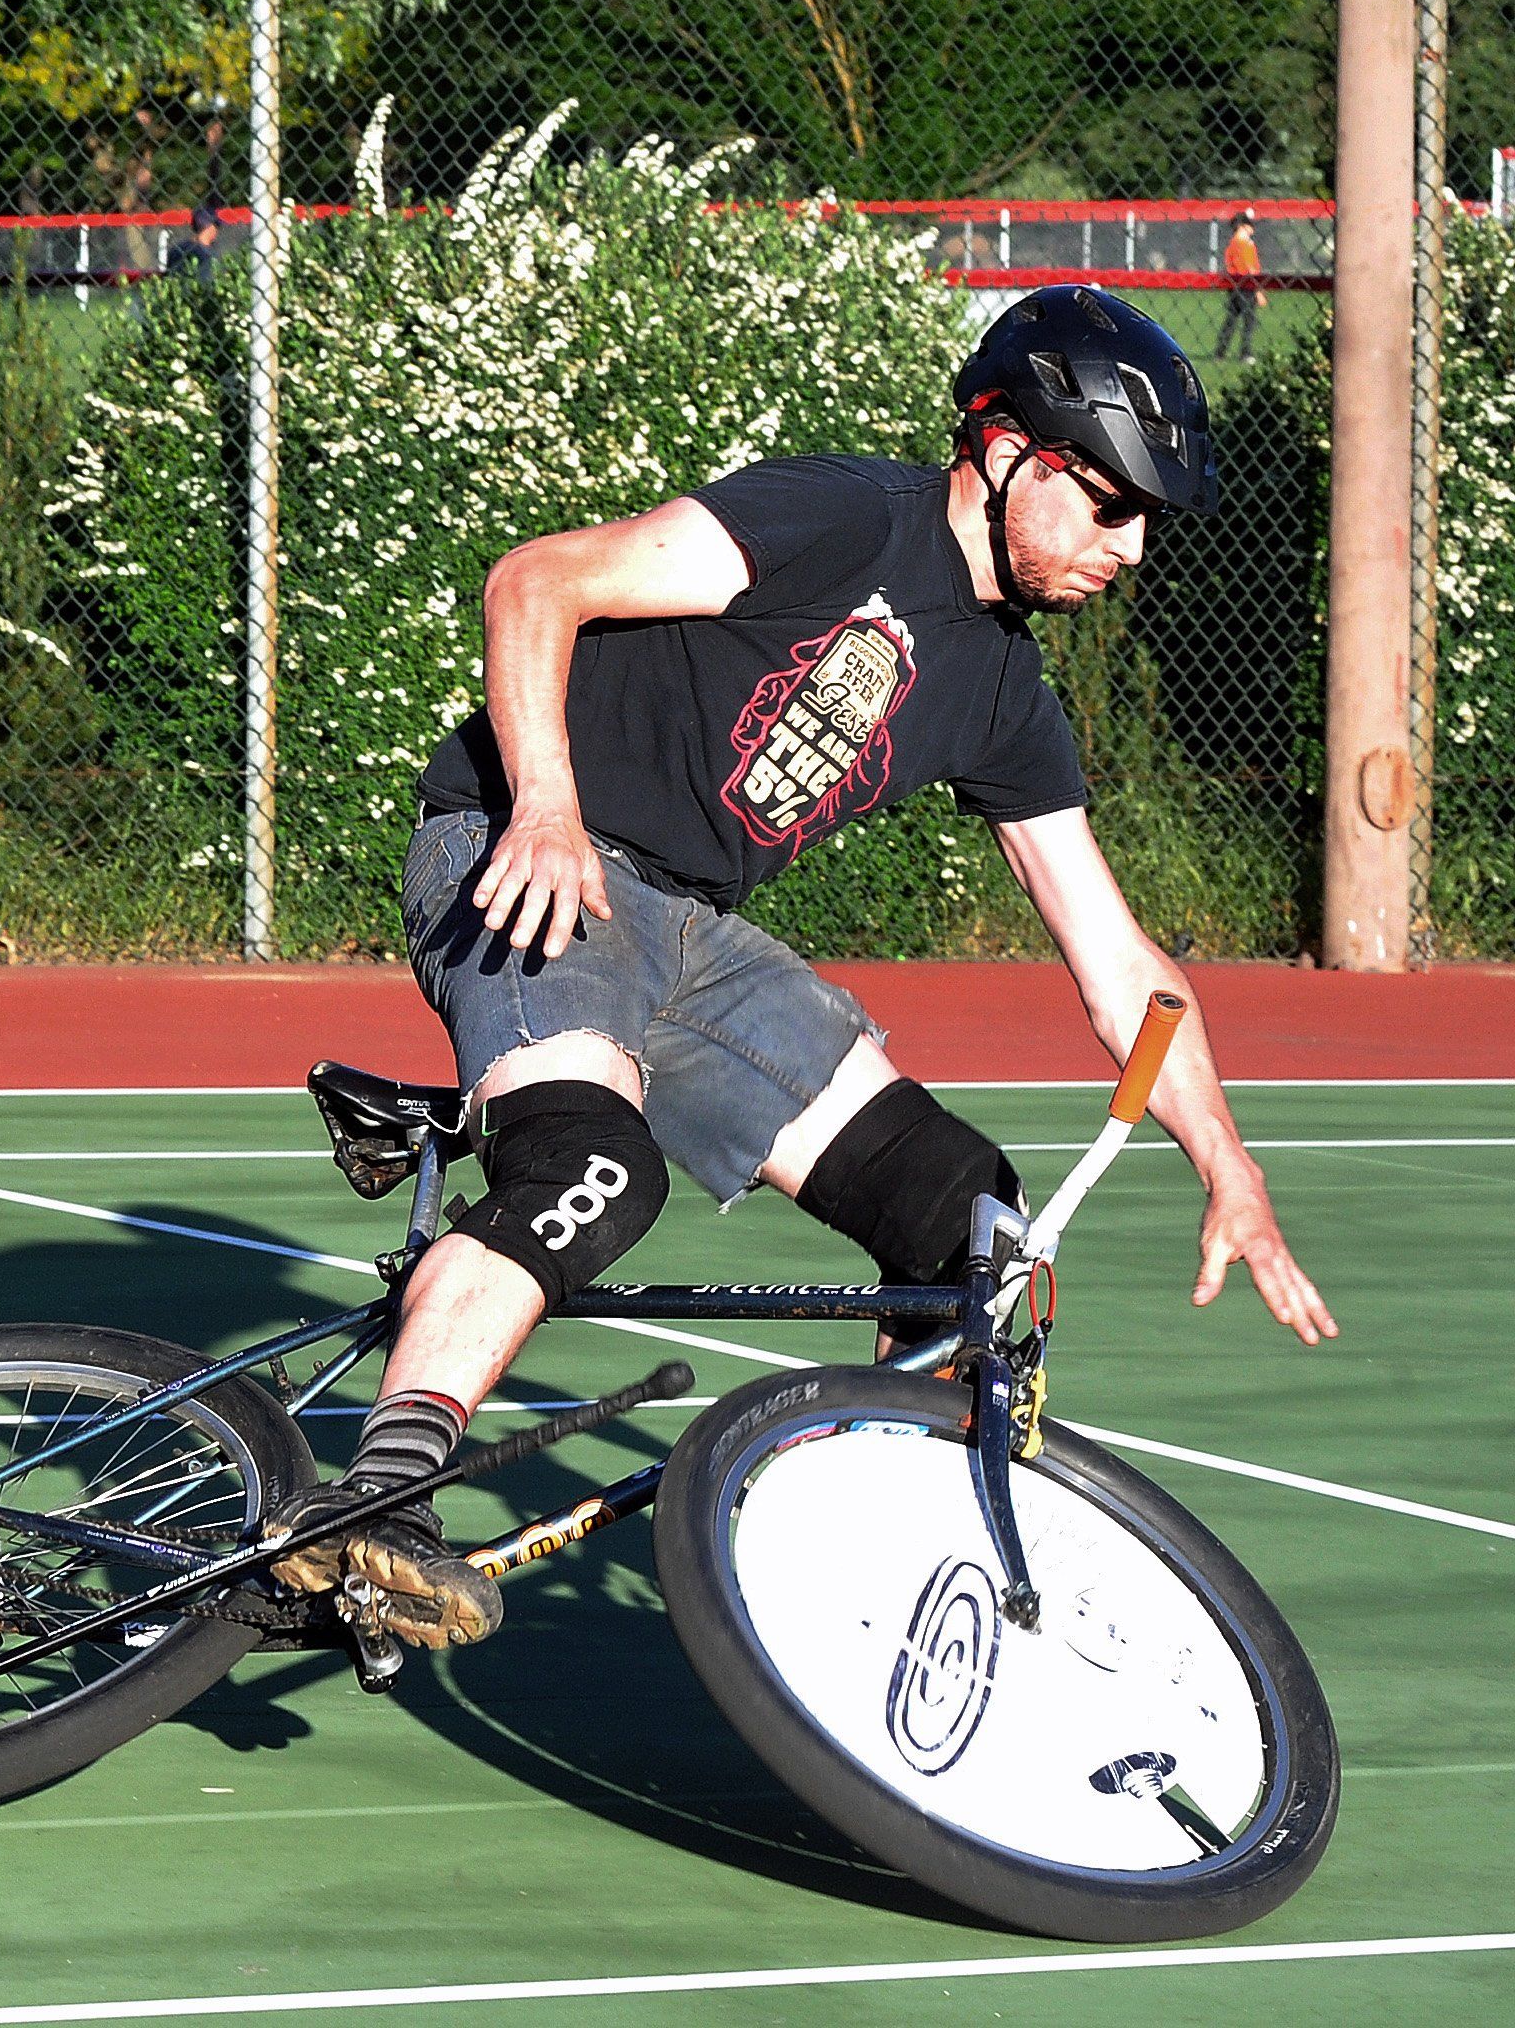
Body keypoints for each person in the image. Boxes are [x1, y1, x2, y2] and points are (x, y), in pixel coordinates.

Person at [267, 285, 1336, 1650]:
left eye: (1151, 523)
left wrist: (1229, 1169)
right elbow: (538, 581)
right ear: (1011, 449)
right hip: (532, 850)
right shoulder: (847, 517)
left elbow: (1117, 955)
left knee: (966, 1226)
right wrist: (542, 804)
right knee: (595, 1176)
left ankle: (859, 1549)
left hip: (693, 934)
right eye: (1115, 504)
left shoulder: (1004, 693)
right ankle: (374, 1503)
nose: (1133, 547)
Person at [1218, 211, 1265, 361]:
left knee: (1231, 319)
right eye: (1250, 225)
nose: (1253, 228)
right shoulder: (1243, 245)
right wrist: (1258, 290)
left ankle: (1220, 352)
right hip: (1246, 287)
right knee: (1249, 320)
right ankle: (1245, 352)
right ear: (1242, 226)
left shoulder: (1232, 244)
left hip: (1233, 287)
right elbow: (1250, 269)